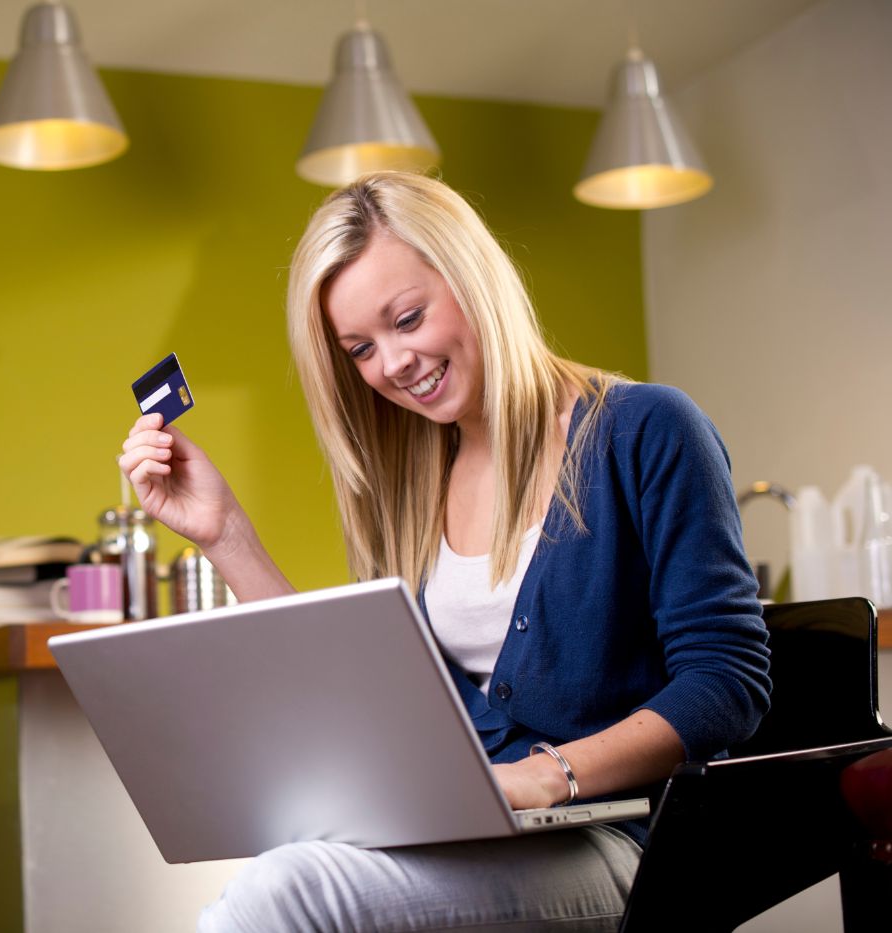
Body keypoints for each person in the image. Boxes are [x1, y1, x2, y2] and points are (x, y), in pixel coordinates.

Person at [118, 172, 771, 932]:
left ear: (472, 276)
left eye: (408, 318)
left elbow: (728, 682)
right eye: (360, 347)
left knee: (289, 893)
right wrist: (222, 531)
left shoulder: (646, 430)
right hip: (469, 839)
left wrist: (543, 776)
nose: (392, 363)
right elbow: (364, 701)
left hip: (620, 844)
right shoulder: (410, 487)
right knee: (287, 870)